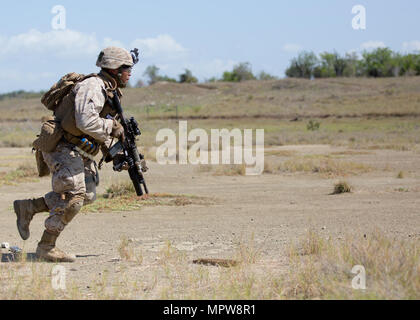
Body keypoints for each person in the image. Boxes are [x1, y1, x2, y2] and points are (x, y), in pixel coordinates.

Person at [13, 47, 137, 262]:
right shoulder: (93, 86)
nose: (130, 74)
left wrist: (116, 154)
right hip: (62, 147)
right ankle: (46, 247)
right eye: (127, 69)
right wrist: (112, 127)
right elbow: (85, 121)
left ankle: (29, 207)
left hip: (79, 149)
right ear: (115, 69)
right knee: (73, 197)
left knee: (87, 195)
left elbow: (97, 129)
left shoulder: (110, 90)